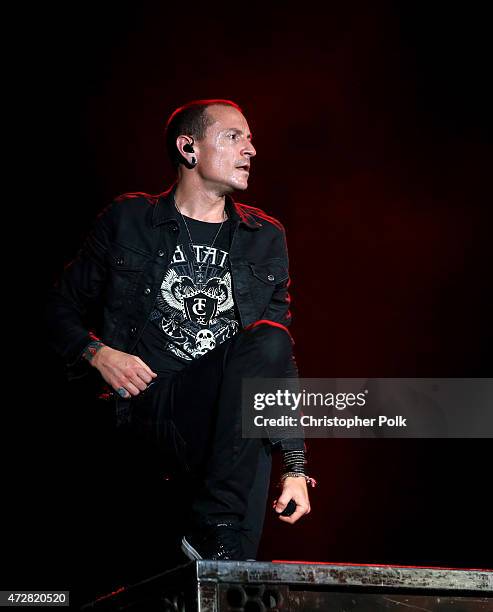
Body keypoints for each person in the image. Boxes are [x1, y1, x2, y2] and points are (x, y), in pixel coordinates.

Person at [46, 99, 314, 561]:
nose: (250, 149)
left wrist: (294, 465)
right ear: (188, 148)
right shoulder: (130, 219)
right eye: (234, 137)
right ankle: (215, 528)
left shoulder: (265, 236)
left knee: (232, 569)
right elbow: (55, 307)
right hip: (152, 408)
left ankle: (217, 536)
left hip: (227, 430)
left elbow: (276, 361)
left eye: (250, 139)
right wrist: (96, 353)